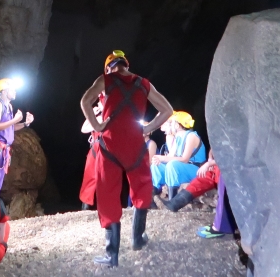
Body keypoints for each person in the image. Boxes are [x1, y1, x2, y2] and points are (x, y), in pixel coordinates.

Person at [80, 50, 173, 267]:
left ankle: (112, 255)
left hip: (109, 145)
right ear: (125, 65)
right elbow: (167, 110)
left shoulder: (105, 80)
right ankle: (137, 239)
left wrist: (97, 125)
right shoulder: (143, 83)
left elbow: (85, 101)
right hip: (135, 145)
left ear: (109, 67)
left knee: (108, 193)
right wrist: (148, 128)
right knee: (141, 187)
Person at [156, 151, 237, 238]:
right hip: (216, 168)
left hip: (228, 170)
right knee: (201, 179)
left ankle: (219, 227)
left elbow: (231, 156)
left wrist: (209, 164)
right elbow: (213, 150)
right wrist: (210, 161)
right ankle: (175, 203)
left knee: (223, 189)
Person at [0, 77, 34, 198]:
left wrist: (25, 123)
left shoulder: (9, 106)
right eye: (12, 89)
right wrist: (15, 120)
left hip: (3, 149)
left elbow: (10, 128)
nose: (15, 92)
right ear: (4, 91)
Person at [150, 110, 206, 198]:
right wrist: (158, 159)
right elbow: (170, 156)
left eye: (170, 122)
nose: (168, 124)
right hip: (181, 168)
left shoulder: (191, 136)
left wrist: (162, 158)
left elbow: (185, 159)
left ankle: (172, 198)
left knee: (172, 164)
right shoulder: (177, 137)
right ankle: (153, 192)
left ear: (177, 125)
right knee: (156, 165)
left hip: (195, 169)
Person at [79, 99, 104, 209]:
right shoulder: (99, 116)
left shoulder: (106, 117)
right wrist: (92, 114)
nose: (97, 103)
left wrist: (94, 114)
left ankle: (99, 207)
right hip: (95, 148)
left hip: (101, 148)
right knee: (90, 178)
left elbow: (85, 129)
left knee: (99, 178)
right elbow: (83, 129)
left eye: (100, 102)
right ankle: (86, 207)